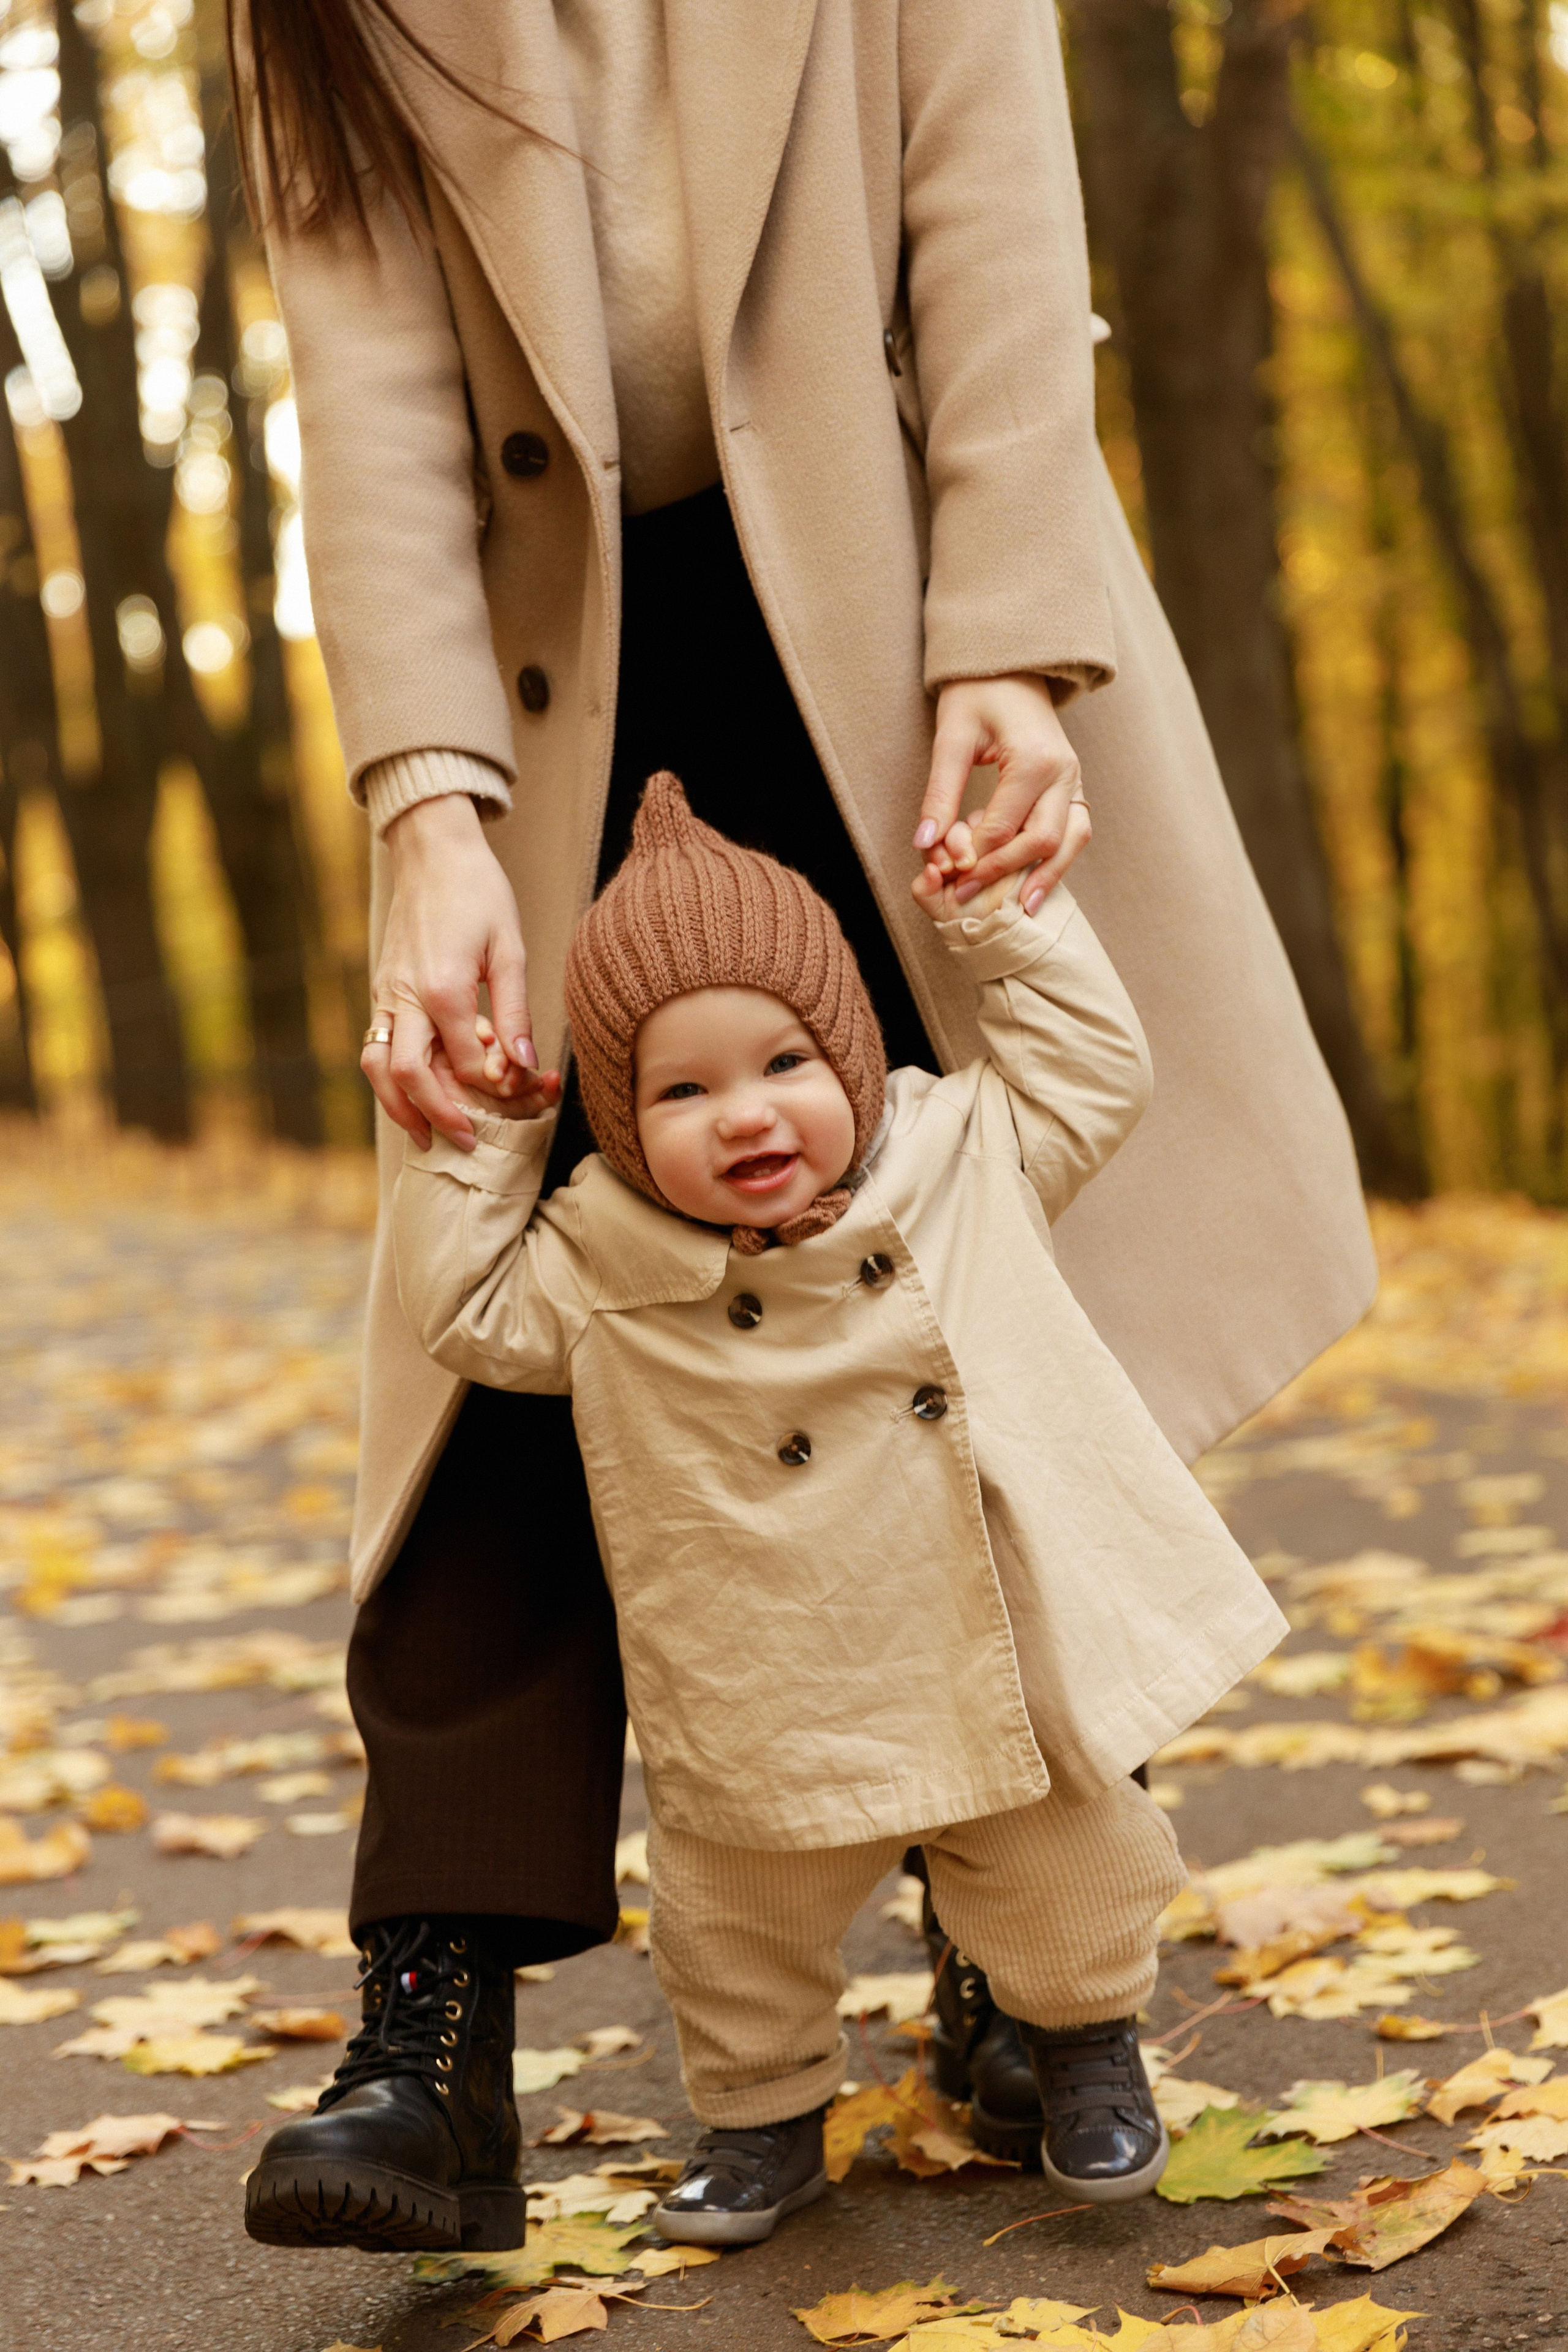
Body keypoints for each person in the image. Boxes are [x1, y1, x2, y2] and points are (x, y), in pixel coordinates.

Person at [233, 0, 1374, 2255]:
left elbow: (996, 245)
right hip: (549, 684)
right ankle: (434, 2019)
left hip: (891, 632)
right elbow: (368, 397)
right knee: (502, 1350)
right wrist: (431, 807)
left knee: (976, 1284)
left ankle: (1021, 1936)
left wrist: (1013, 646)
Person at [330, 772, 1283, 2245]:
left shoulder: (959, 1153)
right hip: (763, 1669)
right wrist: (501, 1136)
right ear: (620, 1121)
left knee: (1065, 1867)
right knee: (736, 1926)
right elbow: (460, 1305)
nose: (746, 1115)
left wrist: (992, 929)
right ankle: (760, 2114)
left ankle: (1087, 2047)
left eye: (783, 1061)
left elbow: (1098, 1070)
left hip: (985, 1646)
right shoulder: (605, 1253)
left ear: (848, 1051)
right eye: (681, 1090)